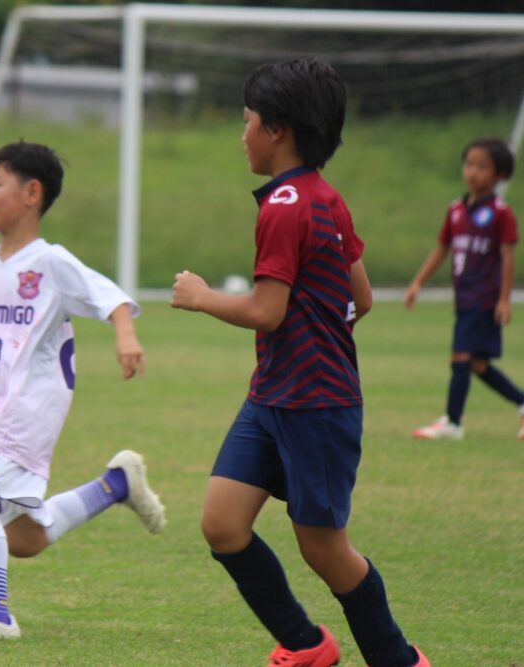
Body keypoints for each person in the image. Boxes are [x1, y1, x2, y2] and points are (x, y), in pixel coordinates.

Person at [170, 58, 429, 667]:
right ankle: (308, 645)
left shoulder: (285, 206)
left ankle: (400, 660)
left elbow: (267, 310)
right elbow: (361, 298)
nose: (243, 134)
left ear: (276, 129)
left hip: (315, 405)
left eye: (247, 121)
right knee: (222, 524)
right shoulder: (324, 196)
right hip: (272, 396)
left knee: (325, 550)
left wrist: (201, 296)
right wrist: (316, 336)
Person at [0, 140, 166, 641]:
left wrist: (126, 337)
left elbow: (112, 299)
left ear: (32, 193)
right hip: (5, 404)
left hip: (33, 401)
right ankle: (115, 485)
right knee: (24, 539)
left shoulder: (50, 262)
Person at [404, 137, 522, 440]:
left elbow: (508, 258)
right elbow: (441, 249)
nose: (472, 172)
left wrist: (504, 299)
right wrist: (418, 282)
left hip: (484, 299)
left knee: (461, 357)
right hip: (464, 298)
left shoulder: (501, 213)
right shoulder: (456, 210)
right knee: (479, 365)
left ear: (500, 175)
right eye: (469, 164)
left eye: (482, 167)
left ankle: (453, 423)